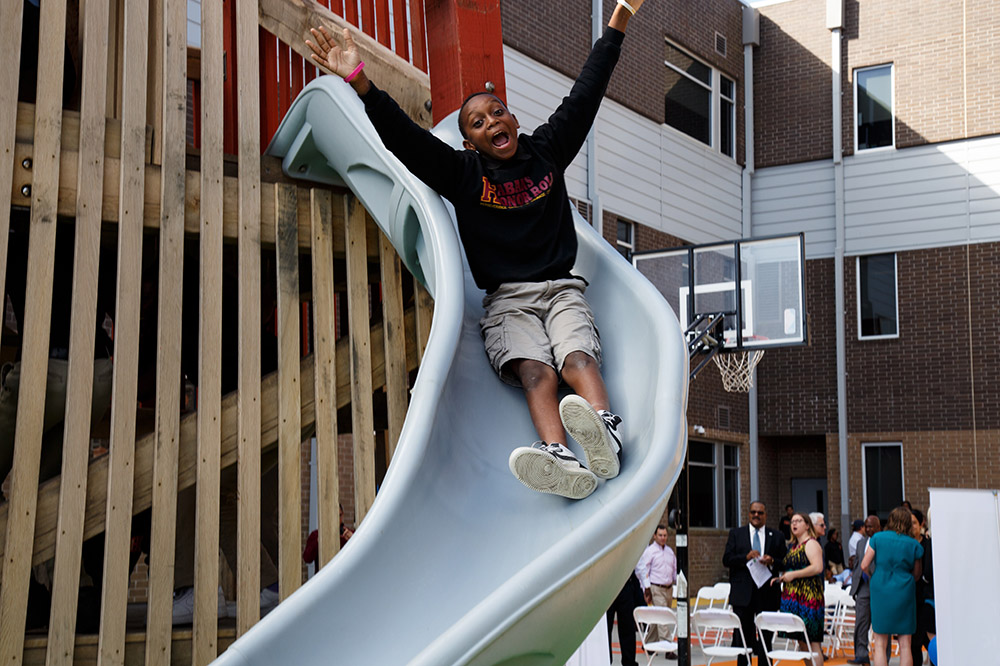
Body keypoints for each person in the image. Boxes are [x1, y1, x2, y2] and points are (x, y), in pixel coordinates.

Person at [304, 1, 645, 502]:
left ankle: (602, 427)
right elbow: (406, 141)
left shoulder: (547, 150)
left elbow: (587, 91)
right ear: (469, 144)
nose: (491, 122)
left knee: (576, 357)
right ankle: (559, 455)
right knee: (537, 371)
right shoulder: (464, 176)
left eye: (496, 112)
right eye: (478, 123)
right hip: (508, 301)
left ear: (513, 118)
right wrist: (360, 81)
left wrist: (619, 17)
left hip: (561, 289)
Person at [722, 501, 787, 666]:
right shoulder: (736, 534)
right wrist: (746, 557)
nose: (756, 515)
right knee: (743, 638)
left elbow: (785, 562)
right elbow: (727, 560)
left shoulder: (777, 536)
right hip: (743, 595)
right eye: (753, 512)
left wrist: (772, 561)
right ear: (748, 514)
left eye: (760, 513)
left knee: (766, 638)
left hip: (767, 593)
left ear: (765, 515)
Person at [861, 506, 924, 666]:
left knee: (880, 643)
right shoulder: (914, 544)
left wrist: (874, 576)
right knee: (905, 644)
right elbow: (917, 574)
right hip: (904, 588)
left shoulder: (877, 538)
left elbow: (863, 565)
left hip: (880, 587)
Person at [772, 512, 825, 662]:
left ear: (807, 525)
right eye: (792, 521)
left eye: (798, 521)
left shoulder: (811, 543)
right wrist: (782, 578)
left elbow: (817, 567)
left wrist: (794, 575)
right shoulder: (793, 546)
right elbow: (791, 569)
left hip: (808, 595)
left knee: (812, 639)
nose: (794, 524)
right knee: (801, 640)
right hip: (793, 594)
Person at [635, 524, 677, 651]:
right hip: (656, 587)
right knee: (663, 615)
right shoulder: (650, 551)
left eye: (665, 535)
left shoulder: (670, 552)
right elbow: (643, 569)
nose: (663, 538)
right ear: (654, 536)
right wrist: (645, 589)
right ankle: (667, 645)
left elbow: (674, 570)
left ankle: (648, 643)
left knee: (657, 617)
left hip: (668, 588)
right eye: (660, 535)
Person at [848, 515, 881, 665]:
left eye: (871, 526)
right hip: (862, 587)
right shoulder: (861, 543)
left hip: (878, 586)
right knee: (860, 623)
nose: (868, 529)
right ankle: (861, 655)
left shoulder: (882, 541)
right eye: (866, 526)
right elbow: (857, 565)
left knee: (881, 625)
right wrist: (854, 587)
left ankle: (883, 658)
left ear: (878, 527)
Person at [606, 571, 643, 666]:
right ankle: (606, 660)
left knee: (627, 627)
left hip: (625, 582)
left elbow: (639, 563)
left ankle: (629, 661)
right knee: (606, 628)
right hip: (607, 583)